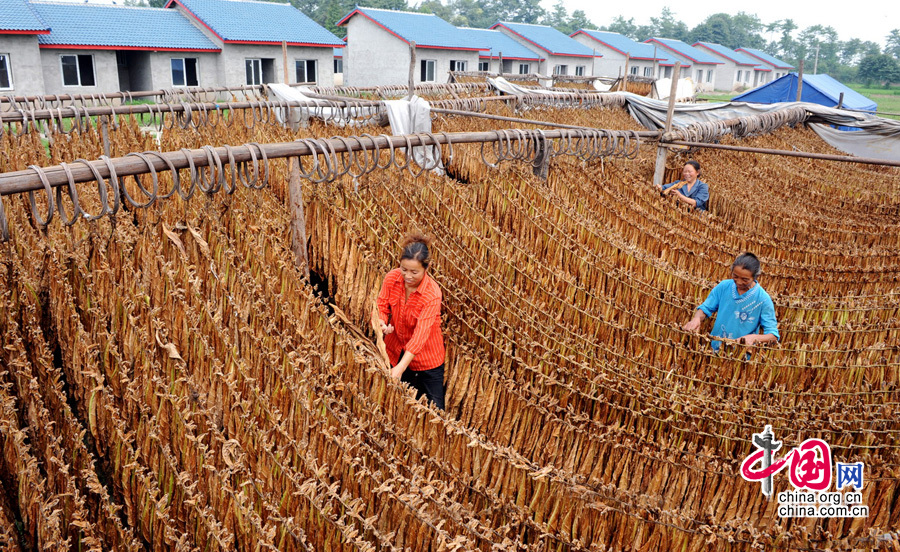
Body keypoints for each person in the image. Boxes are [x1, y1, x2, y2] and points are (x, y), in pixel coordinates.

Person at [376, 233, 446, 409]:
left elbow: (420, 336)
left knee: (435, 411)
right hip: (395, 350)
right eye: (404, 269)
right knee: (397, 405)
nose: (407, 276)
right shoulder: (392, 278)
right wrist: (381, 324)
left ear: (426, 268)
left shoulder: (432, 294)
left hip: (427, 360)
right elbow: (381, 307)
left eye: (414, 272)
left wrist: (399, 369)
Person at [683, 252, 779, 352]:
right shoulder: (724, 286)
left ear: (755, 277)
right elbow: (706, 308)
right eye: (735, 276)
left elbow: (773, 335)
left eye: (745, 279)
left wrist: (753, 338)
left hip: (740, 355)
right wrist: (696, 318)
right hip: (713, 349)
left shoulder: (763, 300)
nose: (739, 282)